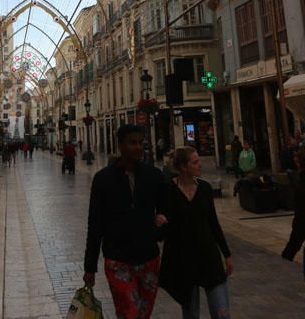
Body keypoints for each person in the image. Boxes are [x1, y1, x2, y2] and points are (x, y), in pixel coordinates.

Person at [83, 124, 166, 319]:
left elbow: (166, 211)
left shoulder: (154, 176)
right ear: (120, 146)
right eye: (132, 143)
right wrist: (90, 266)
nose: (138, 147)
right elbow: (95, 224)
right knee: (130, 313)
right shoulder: (103, 179)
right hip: (118, 259)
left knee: (143, 314)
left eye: (141, 143)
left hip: (148, 258)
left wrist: (159, 230)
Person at [159, 145, 233, 318]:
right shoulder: (169, 190)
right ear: (184, 167)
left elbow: (213, 223)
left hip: (209, 258)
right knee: (191, 314)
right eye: (195, 162)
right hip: (185, 261)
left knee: (222, 313)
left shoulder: (205, 188)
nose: (200, 165)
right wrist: (159, 222)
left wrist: (227, 254)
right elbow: (165, 230)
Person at [281, 149, 305, 277]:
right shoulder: (299, 179)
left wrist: (288, 253)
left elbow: (300, 210)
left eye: (297, 163)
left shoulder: (300, 181)